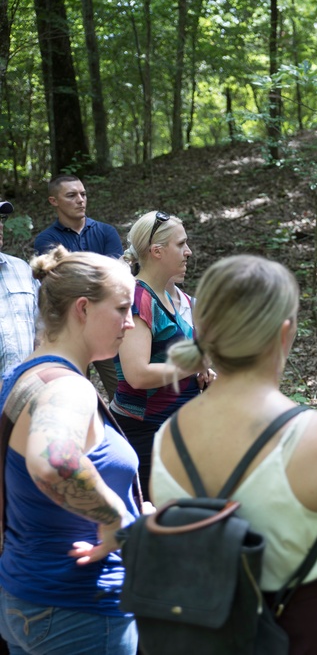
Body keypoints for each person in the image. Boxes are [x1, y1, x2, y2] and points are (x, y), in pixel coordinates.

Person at [151, 255, 317, 652]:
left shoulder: (166, 438)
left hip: (205, 636)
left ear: (203, 329)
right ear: (284, 334)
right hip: (307, 634)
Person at [0, 247, 141, 655]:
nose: (130, 323)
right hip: (80, 613)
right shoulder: (68, 387)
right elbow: (55, 461)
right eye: (121, 309)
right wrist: (116, 517)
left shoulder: (24, 374)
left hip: (28, 600)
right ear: (83, 308)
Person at [112, 211, 211, 498]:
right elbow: (137, 374)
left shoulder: (167, 296)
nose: (188, 252)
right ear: (157, 251)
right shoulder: (138, 298)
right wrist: (193, 365)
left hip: (174, 429)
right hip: (146, 434)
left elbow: (172, 360)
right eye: (181, 244)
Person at [34, 175, 124, 397]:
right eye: (71, 195)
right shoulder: (46, 239)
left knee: (121, 393)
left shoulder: (106, 232)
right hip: (69, 329)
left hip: (105, 325)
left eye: (83, 194)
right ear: (54, 201)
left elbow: (118, 278)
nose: (80, 200)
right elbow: (60, 284)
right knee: (72, 392)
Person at [0, 206, 37, 376]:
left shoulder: (22, 269)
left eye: (1, 219)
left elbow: (44, 326)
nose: (0, 225)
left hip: (24, 388)